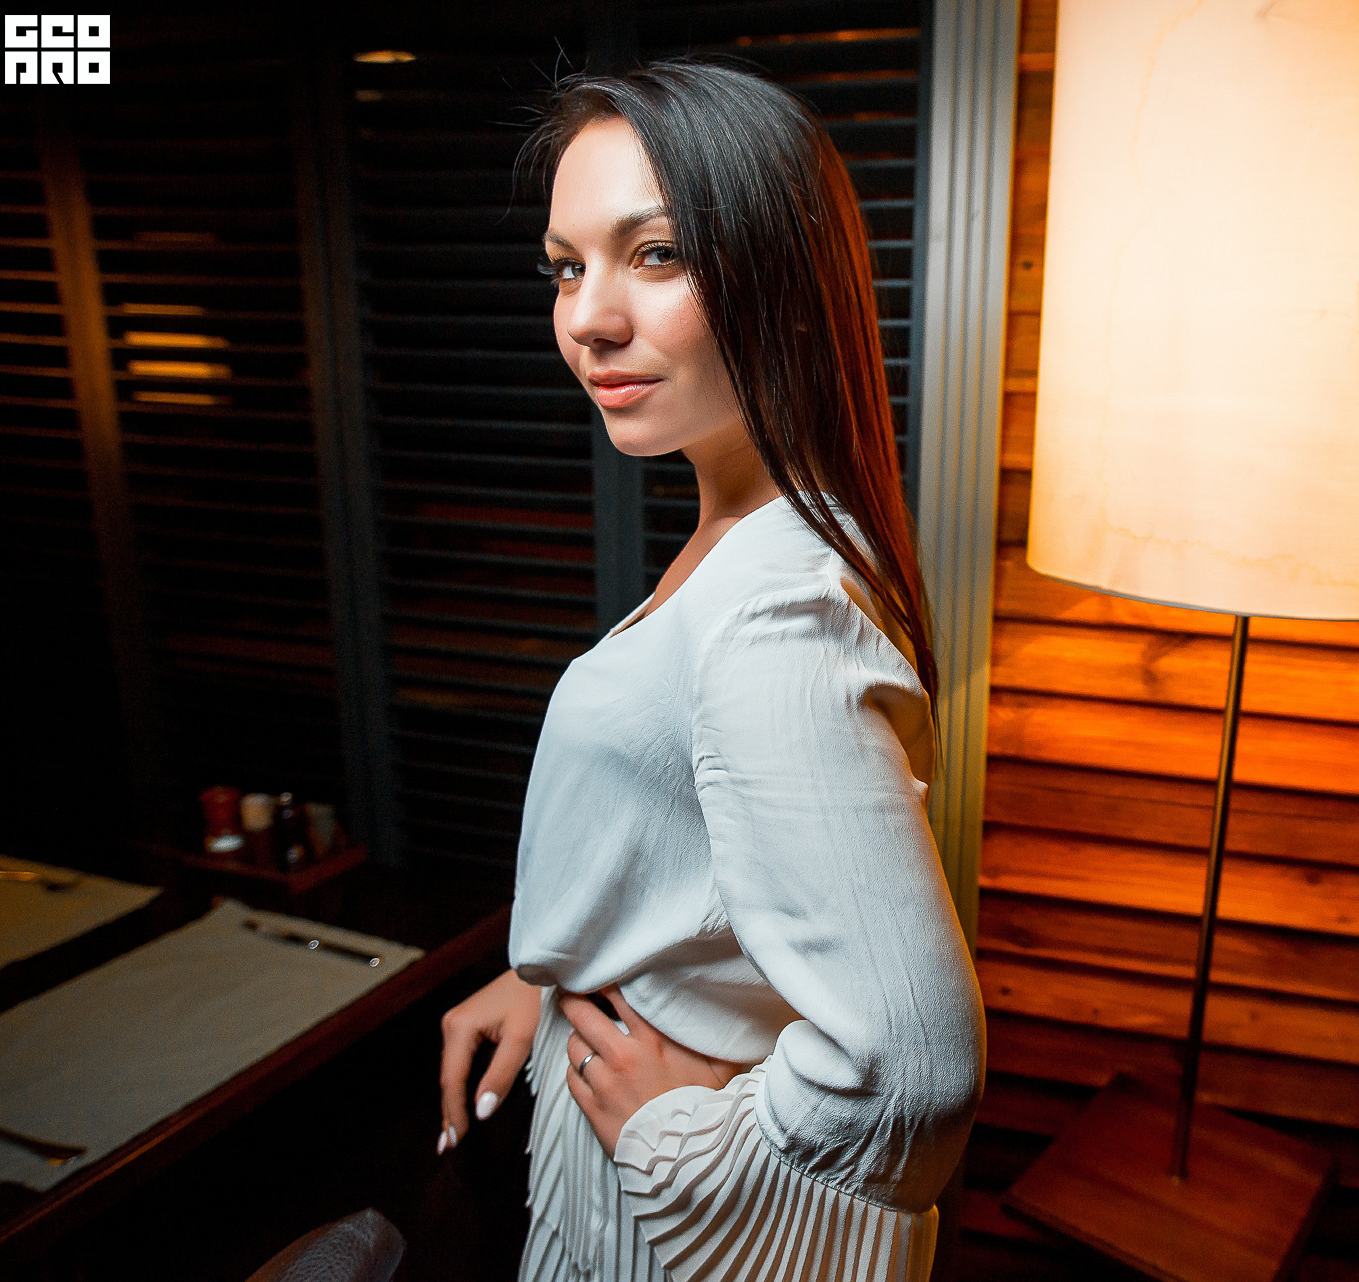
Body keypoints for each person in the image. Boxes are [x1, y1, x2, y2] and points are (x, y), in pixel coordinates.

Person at [433, 62, 985, 1282]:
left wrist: (686, 1137)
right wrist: (553, 973)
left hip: (652, 1201)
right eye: (566, 266)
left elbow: (915, 1068)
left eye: (657, 254)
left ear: (782, 278)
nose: (588, 318)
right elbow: (696, 851)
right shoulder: (747, 532)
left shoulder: (777, 611)